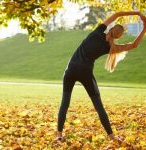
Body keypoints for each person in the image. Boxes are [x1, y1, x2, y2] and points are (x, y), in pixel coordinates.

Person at [56, 11, 146, 142]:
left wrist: (137, 13)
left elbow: (117, 15)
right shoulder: (110, 47)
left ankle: (59, 134)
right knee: (98, 106)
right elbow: (133, 45)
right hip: (85, 73)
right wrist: (144, 28)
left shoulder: (98, 31)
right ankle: (111, 135)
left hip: (71, 69)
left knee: (65, 102)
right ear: (118, 37)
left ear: (110, 29)